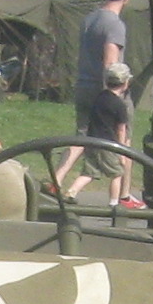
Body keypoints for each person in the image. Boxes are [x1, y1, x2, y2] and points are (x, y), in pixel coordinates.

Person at [61, 60, 139, 207]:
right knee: (117, 173)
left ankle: (71, 191)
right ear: (125, 83)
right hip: (108, 144)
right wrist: (121, 152)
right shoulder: (120, 105)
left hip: (92, 142)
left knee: (89, 172)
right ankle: (114, 203)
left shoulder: (99, 98)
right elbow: (121, 129)